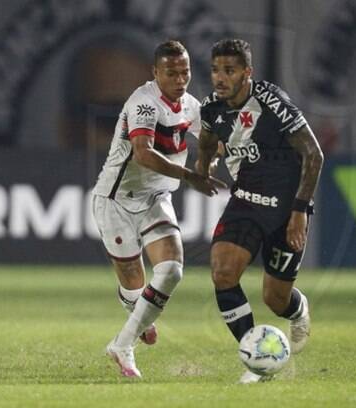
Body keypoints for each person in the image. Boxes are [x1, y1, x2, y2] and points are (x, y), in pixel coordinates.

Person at [91, 40, 226, 378]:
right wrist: (190, 175)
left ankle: (122, 345)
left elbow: (210, 140)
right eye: (171, 73)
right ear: (155, 73)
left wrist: (215, 153)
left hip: (156, 199)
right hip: (116, 200)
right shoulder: (144, 103)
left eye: (185, 72)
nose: (180, 79)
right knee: (134, 291)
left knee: (171, 271)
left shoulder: (191, 106)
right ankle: (137, 311)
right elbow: (143, 153)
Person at [196, 39, 324, 383]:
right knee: (223, 273)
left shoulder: (273, 103)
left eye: (229, 71)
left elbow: (314, 155)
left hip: (285, 210)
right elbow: (208, 138)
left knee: (275, 299)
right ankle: (258, 359)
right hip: (246, 203)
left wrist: (300, 211)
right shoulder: (211, 108)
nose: (220, 78)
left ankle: (298, 310)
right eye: (215, 70)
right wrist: (203, 164)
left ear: (247, 73)